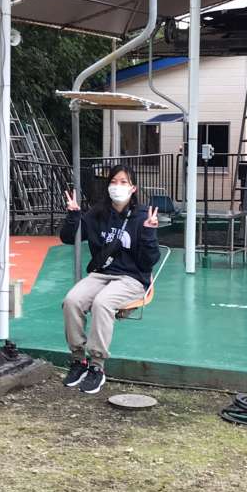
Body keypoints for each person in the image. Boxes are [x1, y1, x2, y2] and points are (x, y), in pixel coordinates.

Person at [60, 165, 160, 394]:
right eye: (114, 181)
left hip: (132, 278)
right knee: (72, 301)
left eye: (124, 182)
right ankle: (78, 360)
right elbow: (68, 238)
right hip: (101, 273)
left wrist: (149, 233)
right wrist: (73, 215)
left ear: (133, 188)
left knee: (102, 303)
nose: (118, 186)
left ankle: (97, 366)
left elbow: (148, 262)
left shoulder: (142, 216)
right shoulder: (98, 214)